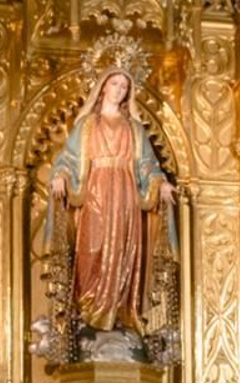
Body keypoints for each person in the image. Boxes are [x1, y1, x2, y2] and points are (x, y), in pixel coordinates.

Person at [47, 68, 178, 337]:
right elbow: (68, 159)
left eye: (124, 87)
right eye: (114, 83)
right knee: (93, 250)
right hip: (95, 194)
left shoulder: (134, 128)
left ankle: (120, 312)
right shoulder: (86, 126)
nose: (119, 90)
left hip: (126, 196)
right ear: (103, 87)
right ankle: (90, 312)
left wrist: (160, 183)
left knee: (122, 252)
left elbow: (147, 166)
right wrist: (60, 175)